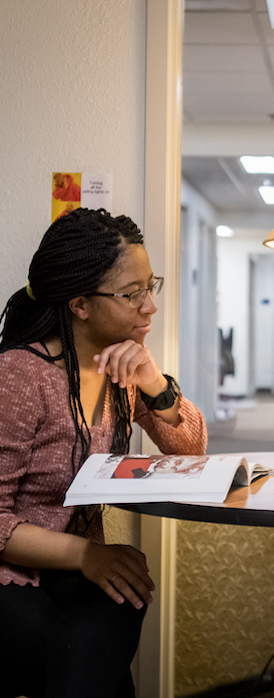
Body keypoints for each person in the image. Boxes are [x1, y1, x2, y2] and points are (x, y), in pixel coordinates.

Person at [0, 208, 207, 698]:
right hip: (12, 570)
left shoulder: (123, 372)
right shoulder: (20, 376)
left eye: (150, 285)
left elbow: (193, 450)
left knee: (124, 598)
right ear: (80, 304)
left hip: (66, 569)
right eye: (132, 293)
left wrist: (155, 383)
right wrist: (88, 555)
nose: (150, 305)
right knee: (83, 657)